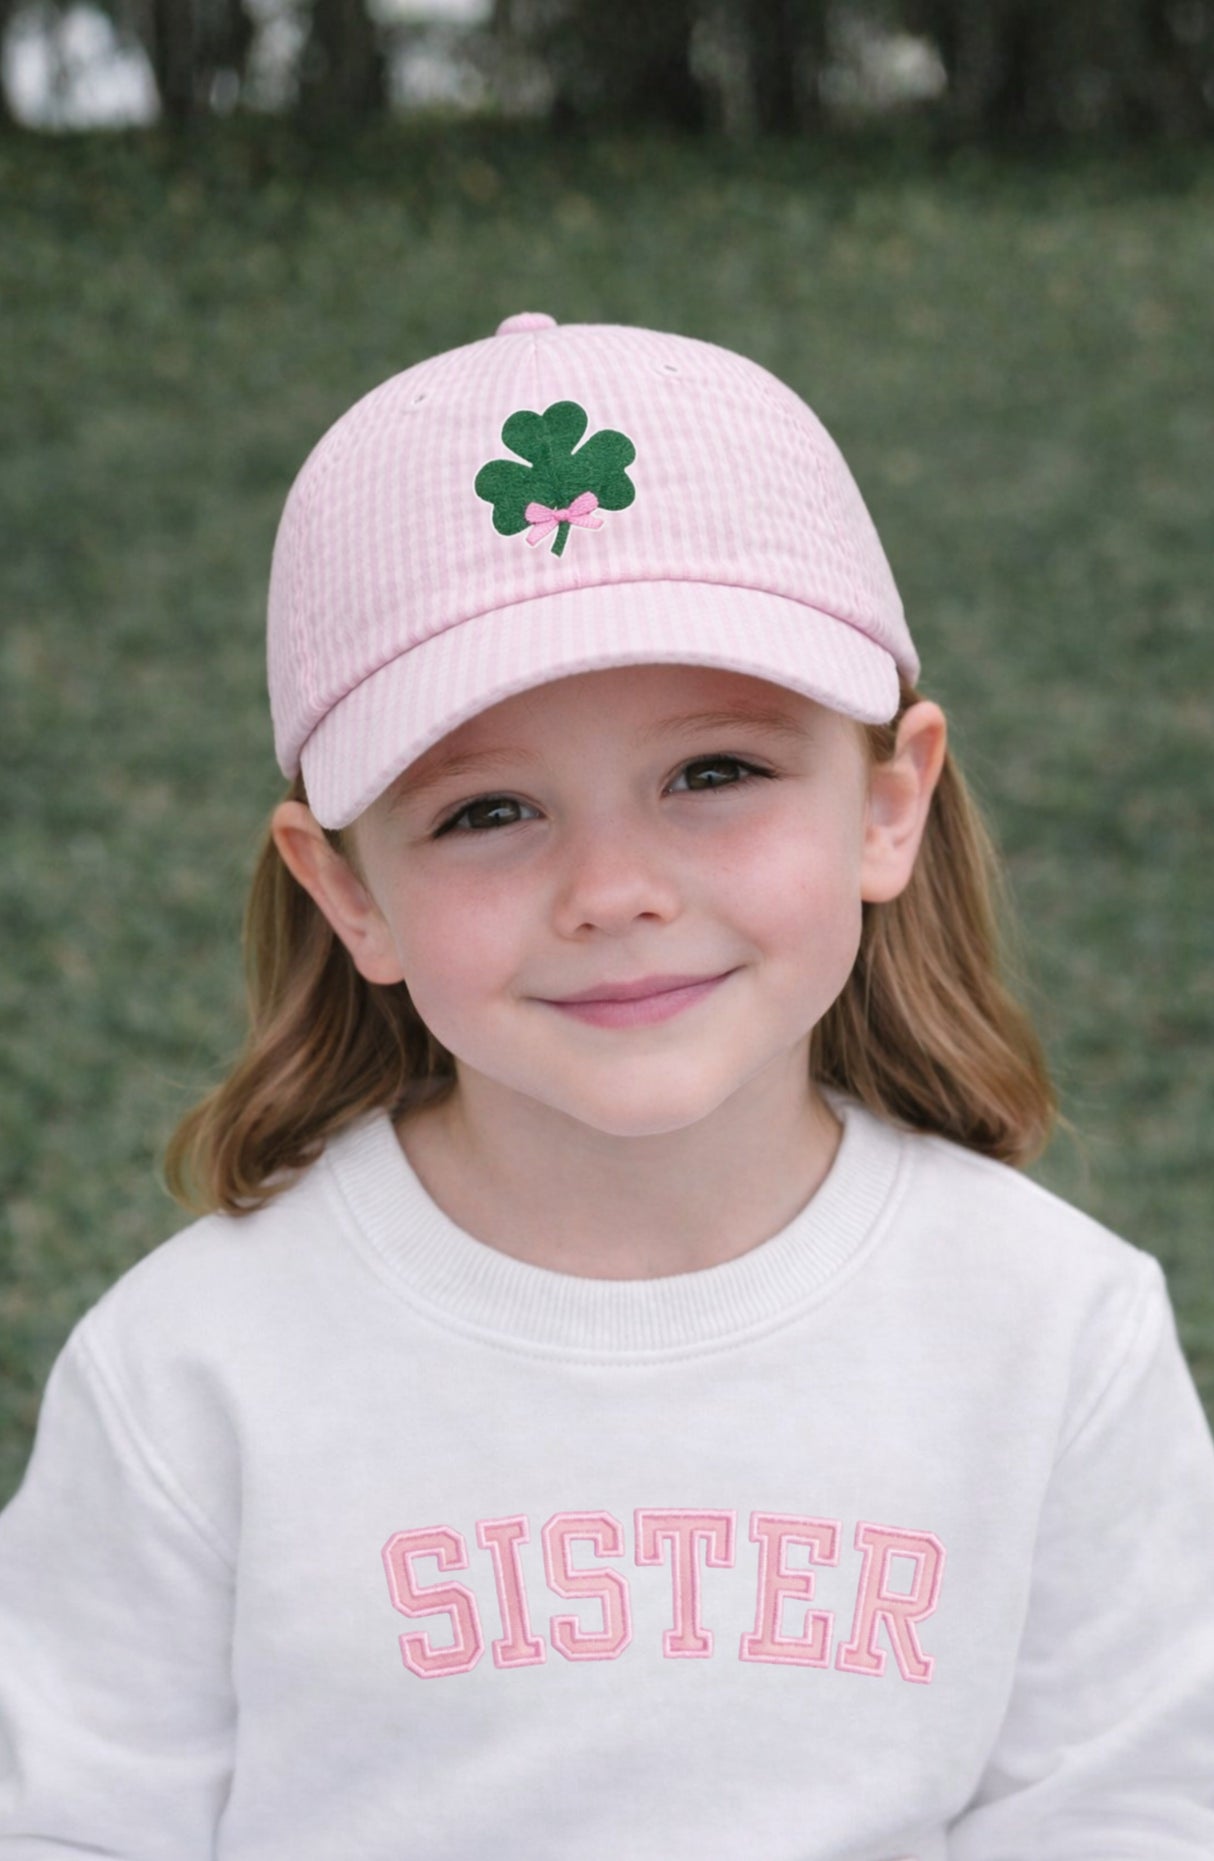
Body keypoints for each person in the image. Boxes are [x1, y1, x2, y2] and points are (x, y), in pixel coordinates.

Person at [0, 311, 1211, 1861]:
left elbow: (1129, 1808)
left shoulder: (1051, 1332)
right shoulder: (195, 1369)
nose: (613, 887)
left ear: (887, 800)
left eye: (713, 772)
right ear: (345, 889)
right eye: (489, 808)